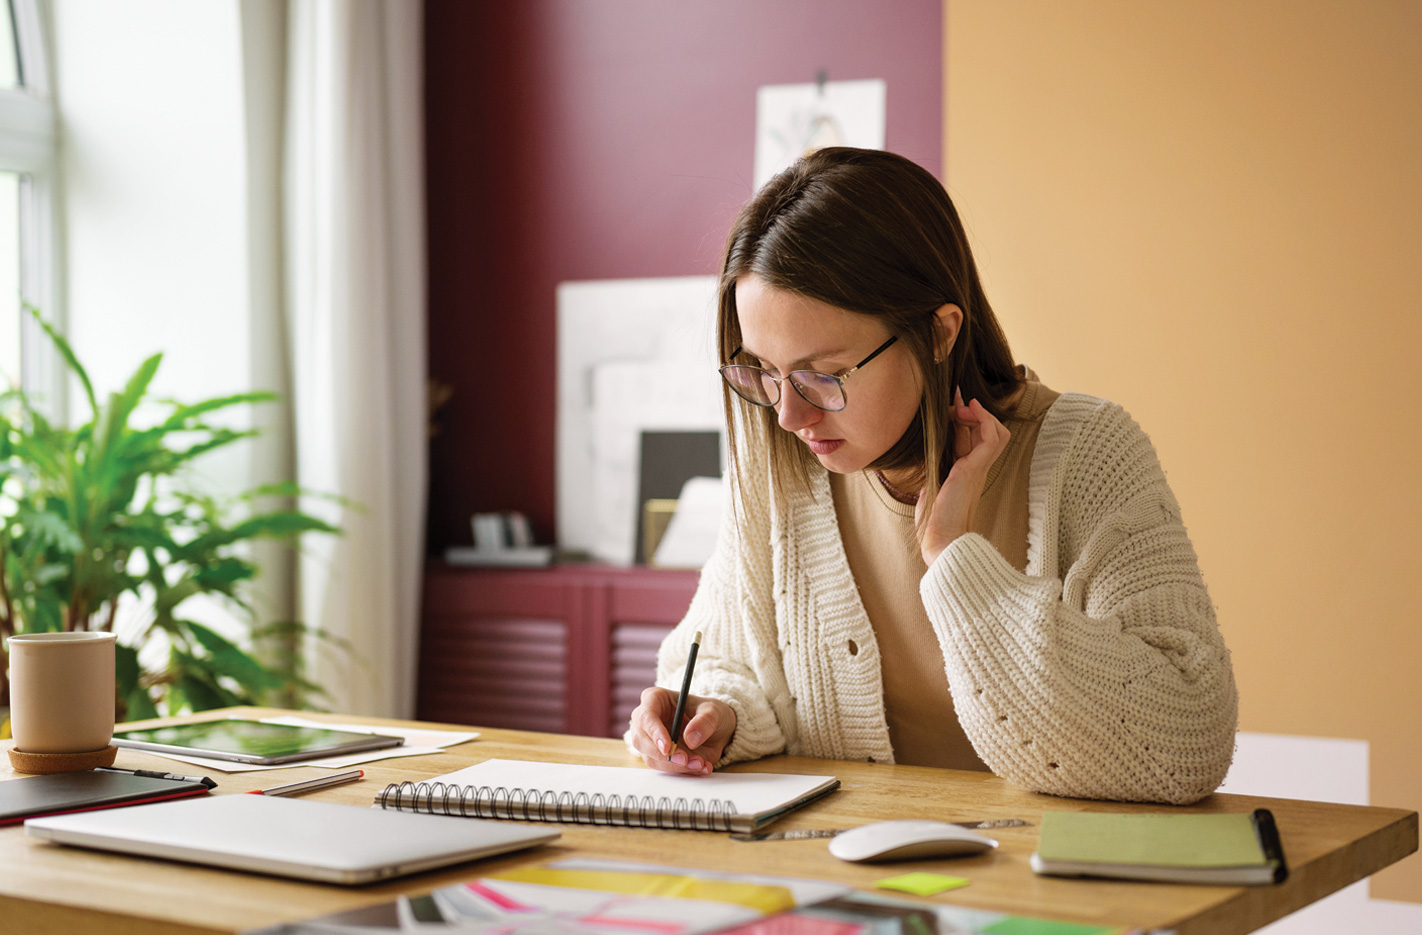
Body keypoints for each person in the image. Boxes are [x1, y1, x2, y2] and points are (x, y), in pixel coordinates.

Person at [625, 147, 1237, 805]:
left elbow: (1186, 741)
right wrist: (718, 714)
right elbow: (731, 659)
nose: (788, 415)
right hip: (837, 856)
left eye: (823, 375)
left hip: (1035, 863)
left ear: (940, 332)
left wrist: (957, 560)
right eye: (764, 373)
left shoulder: (1088, 452)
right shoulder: (783, 467)